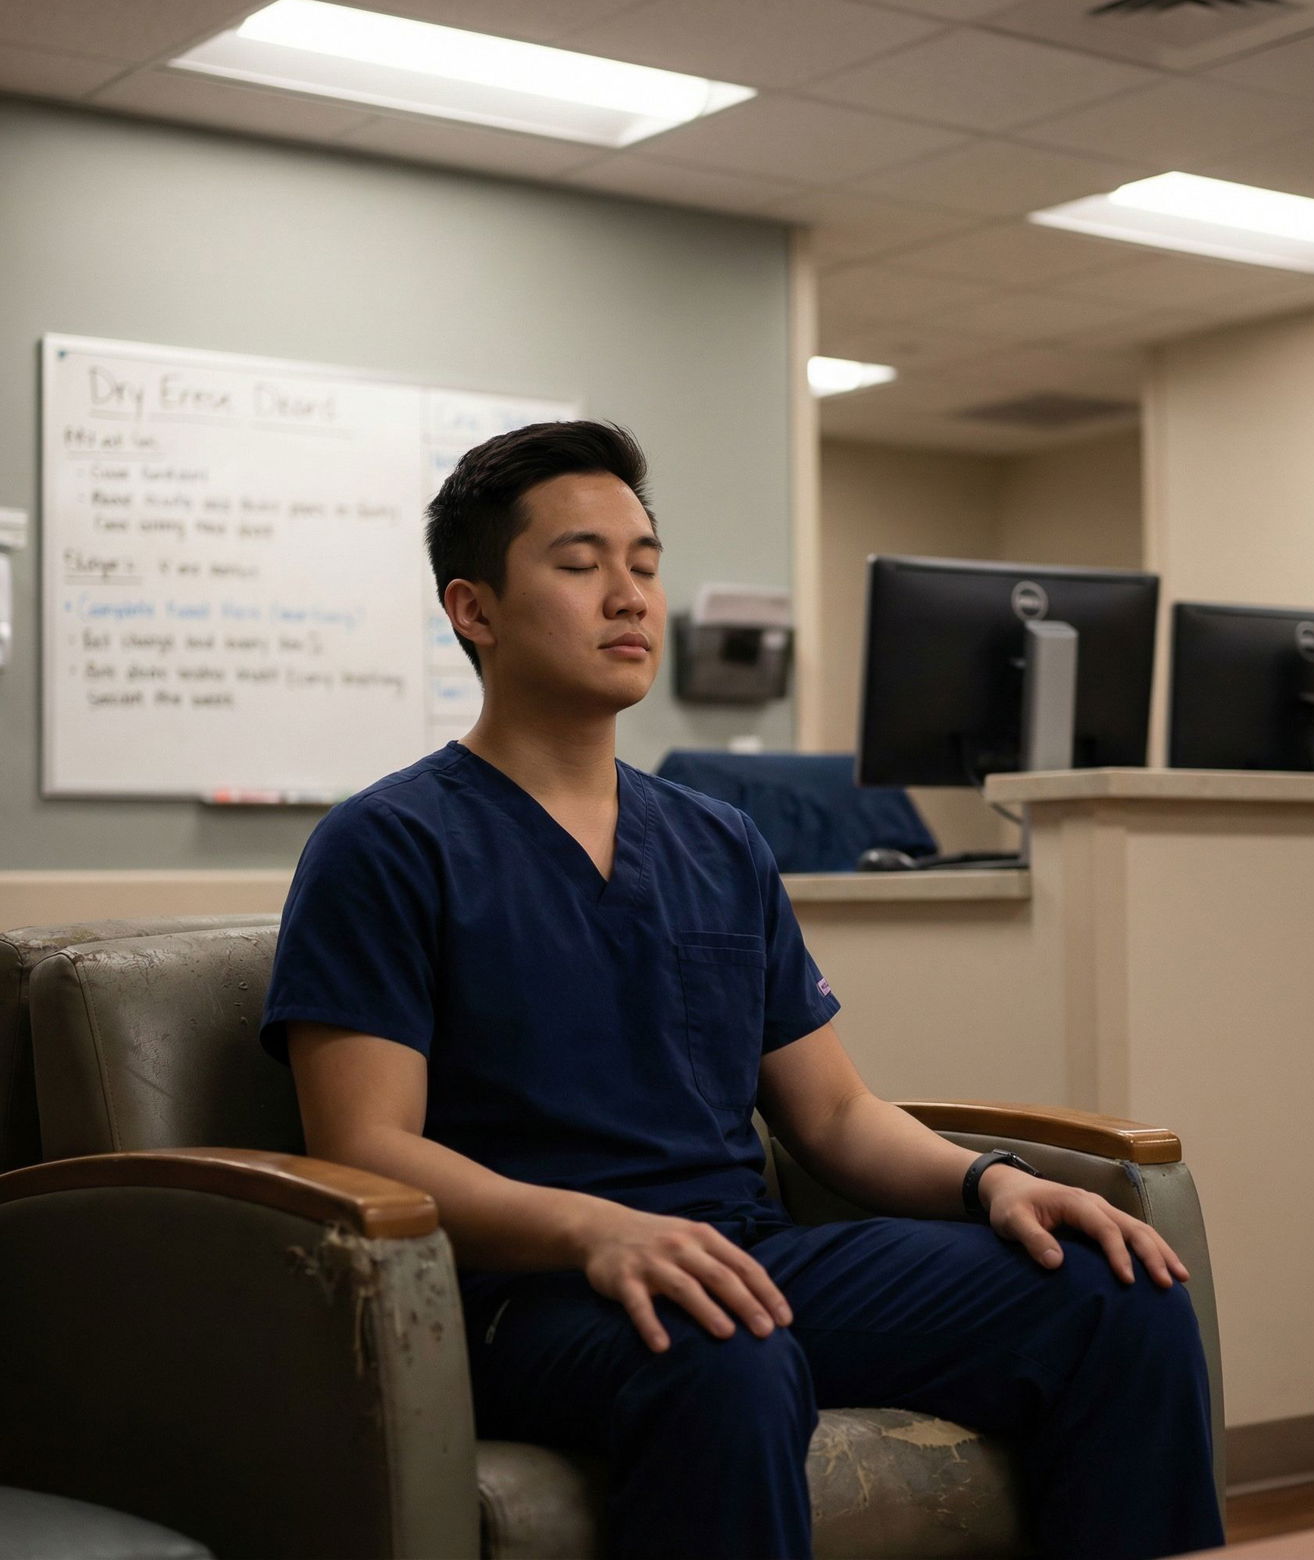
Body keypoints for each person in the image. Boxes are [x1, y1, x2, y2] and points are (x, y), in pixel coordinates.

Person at [260, 420, 1224, 1560]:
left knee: (1116, 1294)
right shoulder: (386, 843)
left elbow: (833, 1116)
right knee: (723, 1346)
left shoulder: (718, 840)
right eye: (579, 565)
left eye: (645, 564)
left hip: (745, 1255)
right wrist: (596, 1229)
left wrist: (989, 1182)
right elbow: (368, 1145)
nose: (627, 595)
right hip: (529, 1291)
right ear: (474, 609)